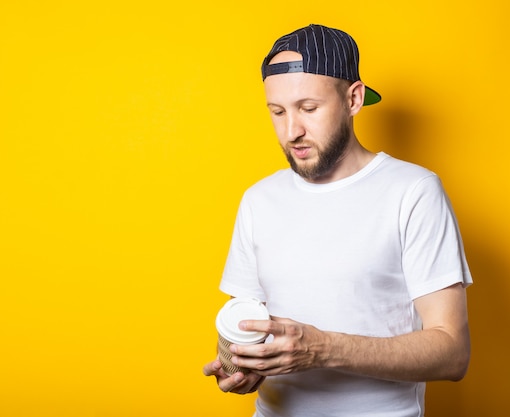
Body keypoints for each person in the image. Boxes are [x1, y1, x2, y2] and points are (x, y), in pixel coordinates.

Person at [202, 24, 472, 417]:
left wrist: (321, 349)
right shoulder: (259, 200)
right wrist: (242, 365)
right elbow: (247, 325)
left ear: (354, 99)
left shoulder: (412, 191)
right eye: (277, 112)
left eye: (308, 108)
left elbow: (452, 353)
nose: (291, 130)